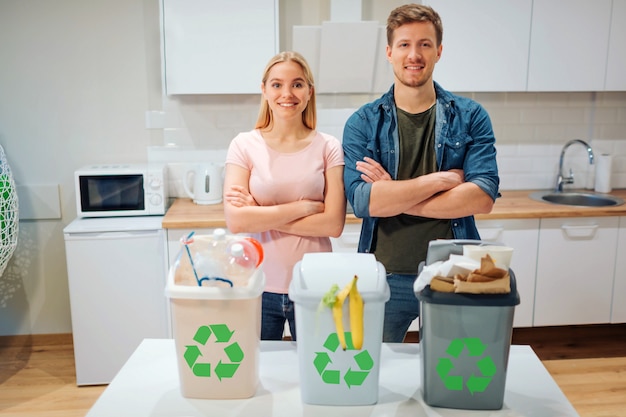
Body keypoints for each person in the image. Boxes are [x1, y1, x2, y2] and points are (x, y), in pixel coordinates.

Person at [342, 4, 500, 343]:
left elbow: (482, 196)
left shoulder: (471, 116)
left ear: (439, 51)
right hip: (383, 273)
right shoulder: (363, 123)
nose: (414, 55)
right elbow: (362, 201)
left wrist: (394, 195)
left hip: (453, 269)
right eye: (404, 44)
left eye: (425, 44)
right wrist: (439, 181)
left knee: (451, 371)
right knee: (377, 371)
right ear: (389, 52)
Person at [223, 51, 346, 341]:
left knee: (316, 373)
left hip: (314, 284)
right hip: (257, 283)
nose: (286, 93)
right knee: (261, 373)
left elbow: (333, 225)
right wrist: (303, 207)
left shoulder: (328, 146)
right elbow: (237, 221)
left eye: (297, 84)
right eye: (277, 84)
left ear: (309, 92)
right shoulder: (243, 145)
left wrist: (261, 214)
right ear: (264, 90)